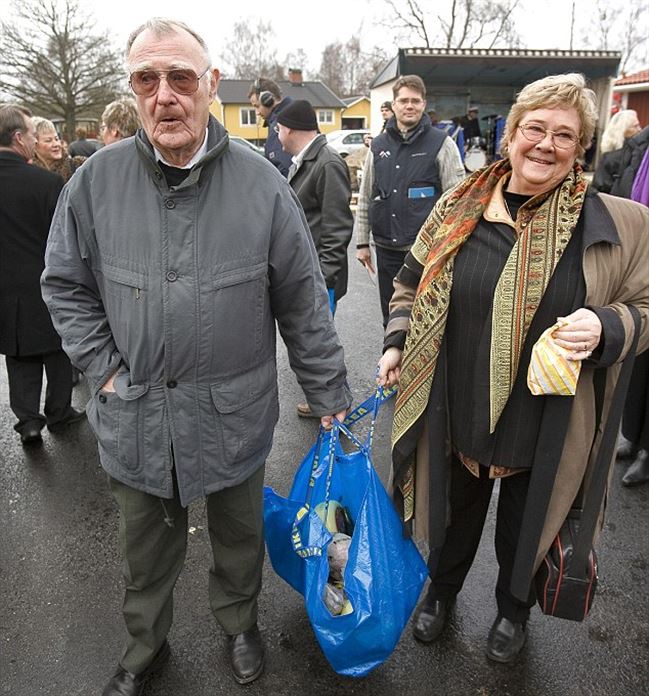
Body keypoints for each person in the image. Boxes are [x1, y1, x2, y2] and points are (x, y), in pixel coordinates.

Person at [41, 18, 351, 695]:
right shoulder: (93, 184)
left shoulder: (261, 185)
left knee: (238, 536)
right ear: (132, 89)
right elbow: (65, 286)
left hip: (231, 412)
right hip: (137, 410)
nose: (164, 96)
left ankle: (238, 621)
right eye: (146, 80)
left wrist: (329, 398)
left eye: (180, 77)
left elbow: (302, 301)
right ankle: (144, 645)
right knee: (145, 549)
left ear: (210, 86)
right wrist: (104, 370)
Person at [377, 73, 649, 664]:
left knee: (528, 525)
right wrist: (398, 342)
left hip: (548, 417)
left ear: (581, 149)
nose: (545, 145)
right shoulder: (458, 208)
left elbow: (646, 307)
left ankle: (512, 609)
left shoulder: (616, 225)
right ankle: (441, 593)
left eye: (564, 135)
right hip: (458, 404)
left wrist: (609, 326)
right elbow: (407, 285)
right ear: (510, 136)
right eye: (534, 129)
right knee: (453, 515)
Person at [0, 104, 85, 445]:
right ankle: (59, 411)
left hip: (4, 287)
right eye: (33, 135)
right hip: (44, 280)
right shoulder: (46, 182)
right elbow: (63, 237)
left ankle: (28, 421)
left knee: (19, 355)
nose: (36, 141)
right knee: (57, 350)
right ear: (19, 138)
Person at [355, 75, 465, 327]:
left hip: (425, 252)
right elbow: (365, 197)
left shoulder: (442, 144)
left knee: (426, 317)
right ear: (393, 105)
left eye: (415, 101)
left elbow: (459, 201)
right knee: (390, 315)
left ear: (424, 104)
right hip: (386, 250)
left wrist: (454, 248)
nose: (409, 106)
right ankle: (392, 364)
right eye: (403, 100)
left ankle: (424, 366)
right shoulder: (378, 146)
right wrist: (362, 242)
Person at [275, 99, 353, 417]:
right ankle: (326, 400)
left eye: (278, 128)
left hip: (321, 277)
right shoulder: (306, 161)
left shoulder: (327, 163)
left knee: (319, 341)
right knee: (314, 339)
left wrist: (324, 278)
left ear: (291, 128)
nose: (277, 134)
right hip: (310, 273)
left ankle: (334, 402)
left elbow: (337, 227)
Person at [248, 77, 293, 176]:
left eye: (257, 106)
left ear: (268, 99)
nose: (257, 113)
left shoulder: (280, 125)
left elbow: (284, 169)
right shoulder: (292, 115)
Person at [592, 109, 641, 193]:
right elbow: (600, 188)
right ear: (622, 130)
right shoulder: (610, 158)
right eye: (635, 126)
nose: (640, 129)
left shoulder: (639, 153)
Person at [32, 116, 85, 182]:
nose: (56, 144)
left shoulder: (79, 165)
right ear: (34, 144)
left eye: (56, 139)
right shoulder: (28, 174)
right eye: (48, 140)